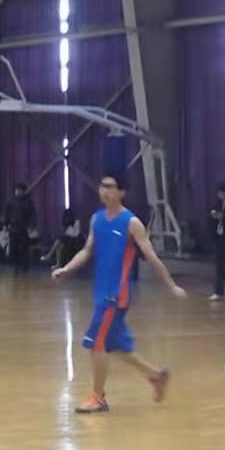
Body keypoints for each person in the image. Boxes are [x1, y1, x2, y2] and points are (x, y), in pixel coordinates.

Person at [52, 172, 187, 414]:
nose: (104, 190)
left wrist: (171, 285)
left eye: (110, 186)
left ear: (122, 192)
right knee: (115, 345)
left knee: (97, 342)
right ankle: (156, 376)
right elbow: (87, 250)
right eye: (102, 186)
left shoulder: (131, 223)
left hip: (116, 295)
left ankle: (98, 398)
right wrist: (67, 268)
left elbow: (152, 257)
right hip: (100, 292)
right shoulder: (96, 219)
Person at [3, 182, 37, 275]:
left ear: (23, 191)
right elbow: (6, 213)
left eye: (20, 190)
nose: (18, 192)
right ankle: (14, 266)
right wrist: (5, 225)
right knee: (13, 248)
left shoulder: (28, 202)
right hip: (13, 227)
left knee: (23, 248)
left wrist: (31, 226)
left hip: (23, 228)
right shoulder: (11, 201)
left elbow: (33, 215)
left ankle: (24, 267)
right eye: (16, 190)